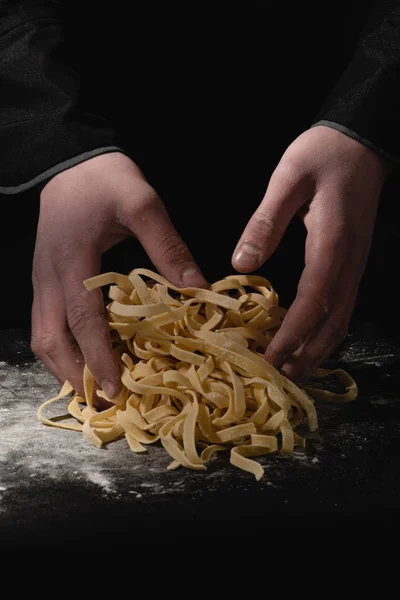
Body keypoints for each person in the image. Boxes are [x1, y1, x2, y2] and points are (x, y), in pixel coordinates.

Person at [0, 0, 398, 401]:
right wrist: (55, 143)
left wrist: (371, 116)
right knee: (92, 329)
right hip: (87, 138)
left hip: (335, 134)